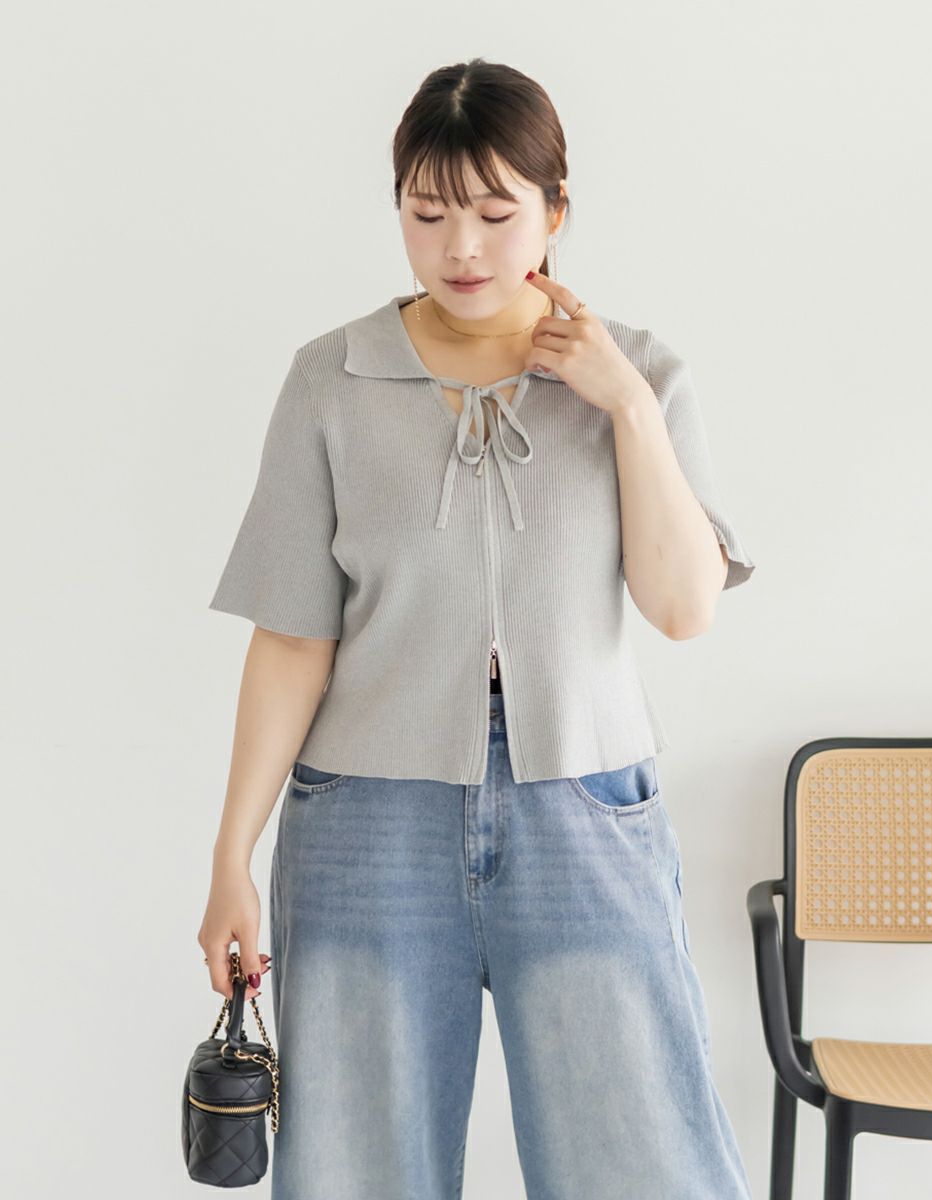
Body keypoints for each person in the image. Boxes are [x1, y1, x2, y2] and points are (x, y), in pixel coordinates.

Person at [199, 56, 756, 1200]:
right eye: (427, 213)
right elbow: (294, 638)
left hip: (586, 811)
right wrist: (230, 857)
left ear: (555, 211)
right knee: (358, 1169)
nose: (460, 248)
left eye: (496, 215)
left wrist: (625, 406)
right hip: (365, 823)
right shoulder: (331, 382)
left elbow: (682, 608)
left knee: (639, 1160)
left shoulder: (639, 375)